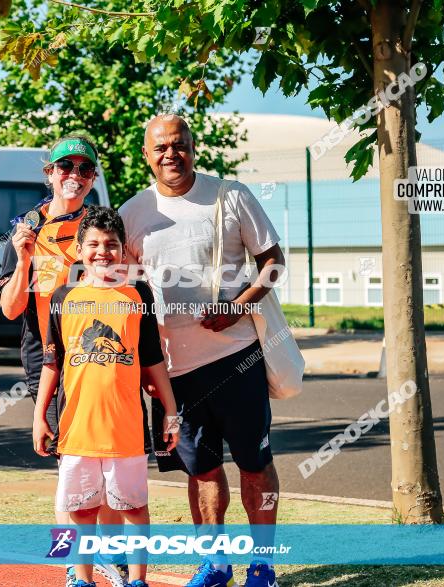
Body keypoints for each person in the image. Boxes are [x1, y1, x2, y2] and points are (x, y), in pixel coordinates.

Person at [119, 115, 285, 587]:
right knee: (202, 470)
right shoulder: (133, 212)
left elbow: (273, 261)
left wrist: (238, 307)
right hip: (174, 371)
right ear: (146, 156)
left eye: (179, 144)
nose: (171, 154)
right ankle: (215, 565)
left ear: (193, 146)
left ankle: (264, 566)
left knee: (256, 465)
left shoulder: (231, 196)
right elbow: (126, 292)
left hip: (238, 358)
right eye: (161, 148)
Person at [0, 135, 137, 587]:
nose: (73, 175)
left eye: (83, 168)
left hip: (102, 355)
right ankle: (72, 560)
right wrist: (22, 258)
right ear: (49, 173)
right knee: (69, 463)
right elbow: (10, 308)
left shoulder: (97, 229)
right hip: (49, 355)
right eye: (64, 167)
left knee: (110, 459)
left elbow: (125, 287)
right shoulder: (26, 229)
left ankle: (110, 556)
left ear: (93, 177)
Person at [33, 206, 179, 587]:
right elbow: (52, 363)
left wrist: (171, 410)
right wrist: (39, 417)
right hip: (76, 428)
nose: (103, 252)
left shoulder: (137, 296)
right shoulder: (64, 297)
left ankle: (137, 580)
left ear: (124, 252)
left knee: (133, 507)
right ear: (80, 250)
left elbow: (153, 360)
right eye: (94, 244)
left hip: (125, 430)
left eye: (112, 245)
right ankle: (80, 578)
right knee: (81, 509)